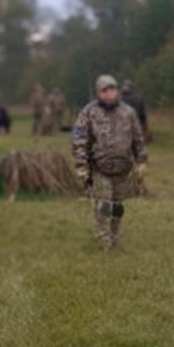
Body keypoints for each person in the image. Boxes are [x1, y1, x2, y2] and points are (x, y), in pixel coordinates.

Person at [71, 74, 147, 250]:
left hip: (123, 168)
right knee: (104, 205)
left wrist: (141, 161)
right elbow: (79, 140)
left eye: (112, 89)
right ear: (99, 93)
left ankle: (115, 235)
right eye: (105, 90)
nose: (110, 93)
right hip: (100, 168)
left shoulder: (128, 112)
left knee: (118, 206)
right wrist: (81, 166)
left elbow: (138, 138)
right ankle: (104, 239)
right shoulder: (89, 113)